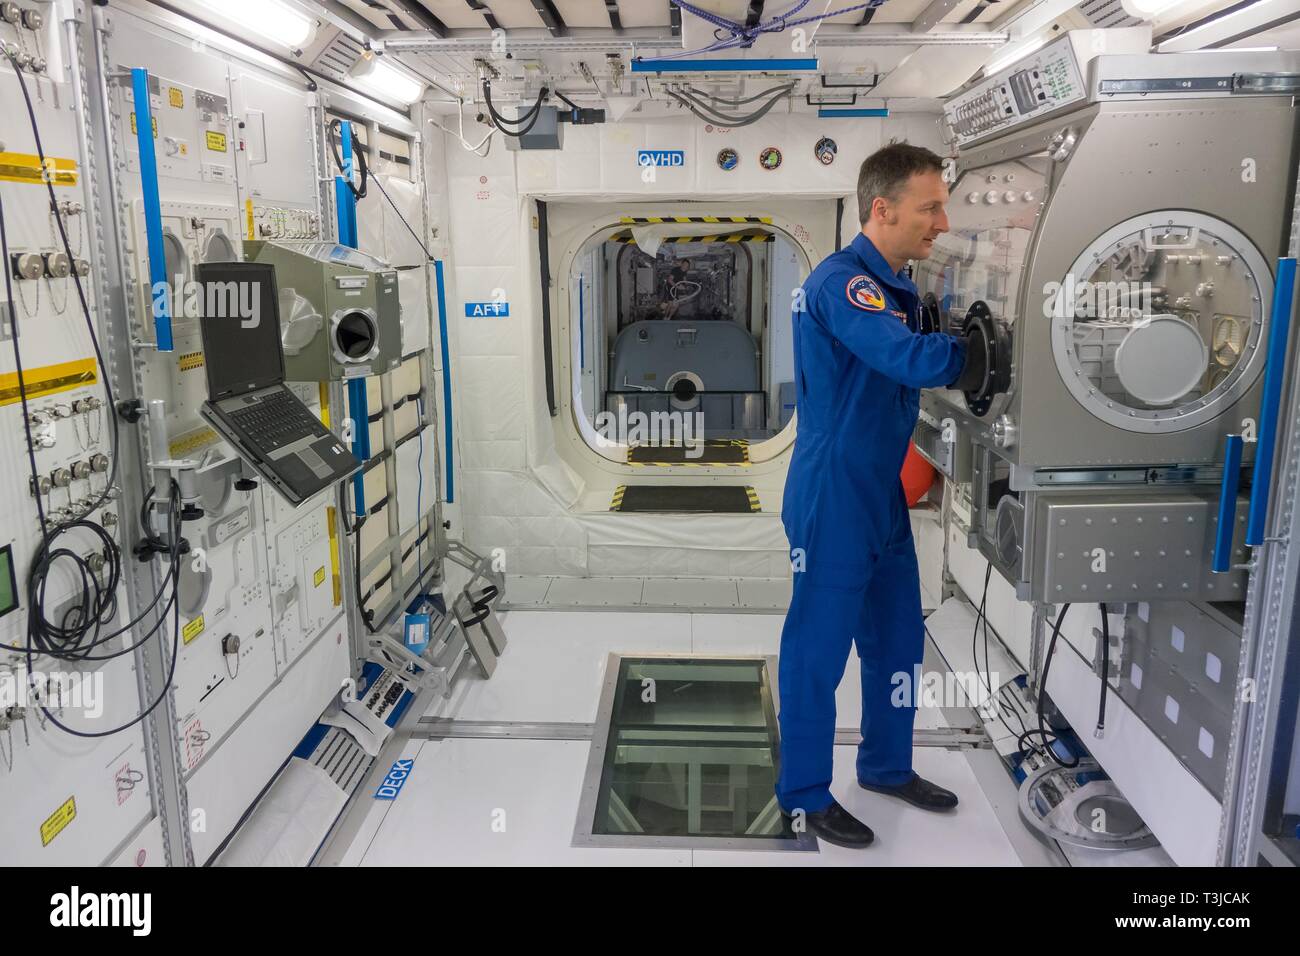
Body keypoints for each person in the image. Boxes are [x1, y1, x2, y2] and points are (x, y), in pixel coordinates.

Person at [776, 141, 986, 848]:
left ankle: (886, 768)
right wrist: (976, 355)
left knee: (898, 641)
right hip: (834, 496)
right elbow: (904, 356)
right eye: (930, 207)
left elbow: (906, 345)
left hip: (880, 495)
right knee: (818, 650)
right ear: (882, 209)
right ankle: (803, 792)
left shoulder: (897, 284)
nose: (941, 220)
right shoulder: (845, 284)